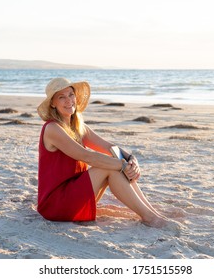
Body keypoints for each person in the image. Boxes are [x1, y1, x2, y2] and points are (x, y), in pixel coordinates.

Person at [37, 77, 172, 228]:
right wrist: (121, 164)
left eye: (71, 94)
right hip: (56, 204)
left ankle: (152, 213)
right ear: (53, 104)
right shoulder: (52, 128)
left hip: (74, 192)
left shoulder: (78, 126)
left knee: (113, 162)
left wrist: (131, 159)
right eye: (61, 97)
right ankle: (149, 217)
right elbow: (87, 156)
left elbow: (109, 147)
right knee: (109, 166)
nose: (68, 100)